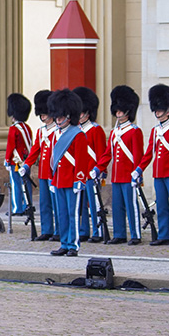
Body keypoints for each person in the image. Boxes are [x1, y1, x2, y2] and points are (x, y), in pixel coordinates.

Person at [135, 84, 169, 246]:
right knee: (162, 207)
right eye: (156, 109)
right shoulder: (155, 130)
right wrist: (139, 169)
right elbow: (149, 153)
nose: (157, 112)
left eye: (160, 109)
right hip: (158, 174)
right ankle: (164, 234)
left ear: (168, 110)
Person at [94, 85, 143, 245]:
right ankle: (119, 233)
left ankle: (135, 234)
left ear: (128, 110)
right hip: (116, 176)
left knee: (131, 206)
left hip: (129, 175)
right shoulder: (115, 132)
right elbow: (108, 153)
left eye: (121, 110)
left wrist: (138, 173)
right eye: (117, 110)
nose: (118, 112)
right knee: (117, 207)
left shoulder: (134, 131)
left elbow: (137, 155)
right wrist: (98, 168)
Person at [47, 89, 91, 256]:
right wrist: (52, 179)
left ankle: (73, 245)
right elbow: (53, 160)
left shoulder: (78, 135)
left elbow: (81, 160)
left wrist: (79, 180)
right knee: (62, 214)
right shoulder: (55, 135)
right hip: (59, 180)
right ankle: (64, 243)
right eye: (56, 116)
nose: (58, 120)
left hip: (72, 180)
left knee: (73, 215)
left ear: (68, 115)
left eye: (61, 116)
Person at [19, 90, 57, 241]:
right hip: (43, 172)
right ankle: (47, 229)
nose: (43, 116)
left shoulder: (57, 130)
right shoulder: (41, 131)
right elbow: (35, 150)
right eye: (41, 113)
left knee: (56, 204)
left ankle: (59, 230)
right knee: (44, 203)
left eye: (45, 113)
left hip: (54, 172)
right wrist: (26, 165)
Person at [72, 86, 107, 243]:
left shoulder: (95, 129)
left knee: (94, 204)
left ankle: (98, 231)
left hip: (92, 173)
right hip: (80, 173)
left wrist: (100, 171)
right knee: (81, 206)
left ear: (88, 112)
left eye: (82, 112)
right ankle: (84, 230)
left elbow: (101, 153)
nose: (79, 116)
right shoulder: (76, 130)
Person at [4, 93, 33, 215]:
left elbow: (10, 146)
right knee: (26, 184)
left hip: (15, 162)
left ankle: (17, 208)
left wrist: (7, 160)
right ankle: (28, 205)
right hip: (26, 161)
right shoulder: (27, 127)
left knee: (16, 184)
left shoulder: (14, 128)